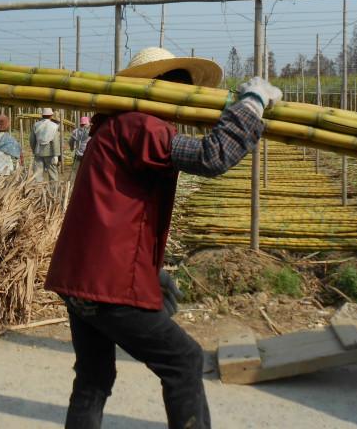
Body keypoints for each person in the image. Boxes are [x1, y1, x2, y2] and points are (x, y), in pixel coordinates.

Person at [44, 46, 282, 429]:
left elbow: (121, 217)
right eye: (177, 87)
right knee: (184, 360)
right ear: (156, 88)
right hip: (106, 284)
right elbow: (211, 155)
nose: (182, 100)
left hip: (80, 281)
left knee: (93, 378)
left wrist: (148, 273)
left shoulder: (112, 125)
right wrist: (251, 105)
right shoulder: (140, 123)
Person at [29, 108, 60, 182]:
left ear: (42, 115)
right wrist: (56, 155)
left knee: (37, 174)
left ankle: (38, 191)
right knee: (53, 174)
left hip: (38, 152)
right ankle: (53, 191)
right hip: (50, 152)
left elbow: (32, 140)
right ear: (51, 115)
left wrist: (34, 150)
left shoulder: (36, 125)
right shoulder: (54, 126)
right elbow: (55, 141)